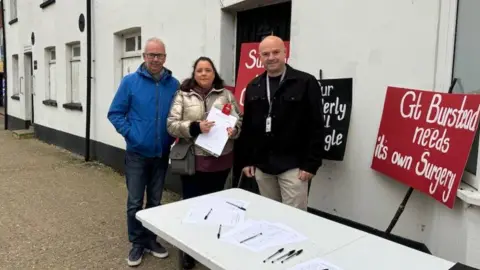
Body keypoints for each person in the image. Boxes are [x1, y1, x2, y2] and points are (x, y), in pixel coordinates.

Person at [107, 37, 180, 267]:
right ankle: (137, 242)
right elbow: (115, 113)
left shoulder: (173, 84)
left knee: (156, 201)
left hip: (161, 153)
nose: (155, 59)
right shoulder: (130, 82)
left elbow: (178, 114)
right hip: (137, 154)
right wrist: (133, 135)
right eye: (151, 55)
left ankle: (151, 239)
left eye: (159, 55)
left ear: (165, 58)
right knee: (135, 202)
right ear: (144, 57)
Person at [167, 56, 242, 269]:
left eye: (207, 70)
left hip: (221, 161)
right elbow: (171, 125)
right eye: (199, 70)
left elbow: (240, 120)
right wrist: (195, 127)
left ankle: (211, 247)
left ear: (213, 73)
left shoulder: (226, 94)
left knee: (217, 207)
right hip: (193, 160)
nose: (203, 74)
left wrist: (234, 130)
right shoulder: (183, 95)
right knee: (192, 207)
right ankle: (188, 250)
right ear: (194, 73)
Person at [239, 35, 324, 211]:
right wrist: (247, 160)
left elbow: (316, 125)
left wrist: (311, 164)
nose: (271, 57)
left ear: (285, 52)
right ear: (260, 57)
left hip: (294, 167)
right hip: (263, 167)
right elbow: (248, 127)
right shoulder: (254, 86)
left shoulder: (305, 82)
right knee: (270, 214)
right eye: (266, 54)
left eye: (276, 52)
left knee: (295, 219)